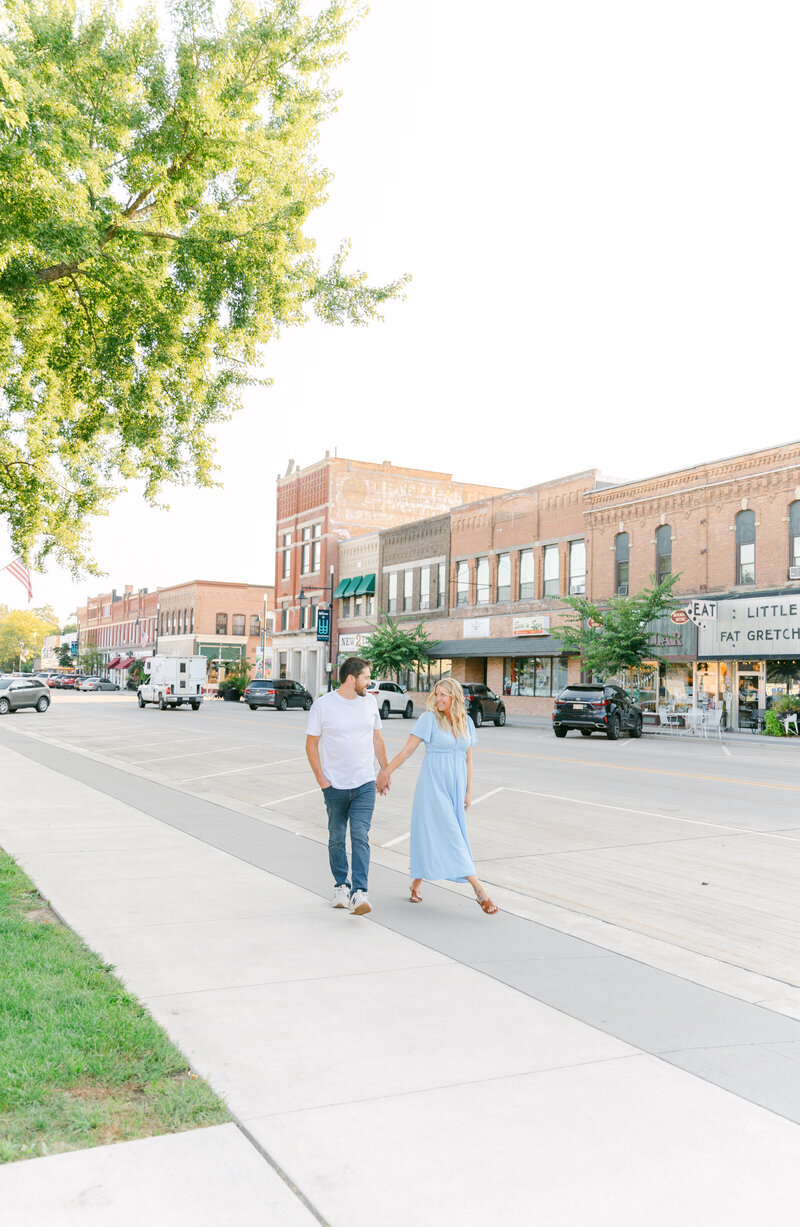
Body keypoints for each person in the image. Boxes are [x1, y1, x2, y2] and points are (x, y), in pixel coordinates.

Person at [376, 677, 498, 914]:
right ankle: (479, 891)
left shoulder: (467, 723)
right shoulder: (428, 719)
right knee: (452, 835)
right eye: (437, 694)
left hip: (456, 787)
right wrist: (385, 772)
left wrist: (469, 791)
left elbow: (469, 759)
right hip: (433, 786)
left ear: (455, 697)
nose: (439, 699)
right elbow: (408, 750)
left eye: (444, 694)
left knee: (438, 833)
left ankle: (415, 883)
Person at [306, 657, 389, 916]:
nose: (370, 682)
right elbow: (311, 744)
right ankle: (341, 886)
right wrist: (322, 779)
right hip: (335, 786)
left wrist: (384, 769)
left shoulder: (370, 703)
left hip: (364, 782)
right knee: (337, 837)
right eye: (366, 677)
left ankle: (359, 892)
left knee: (360, 836)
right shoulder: (323, 706)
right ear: (351, 679)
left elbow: (377, 737)